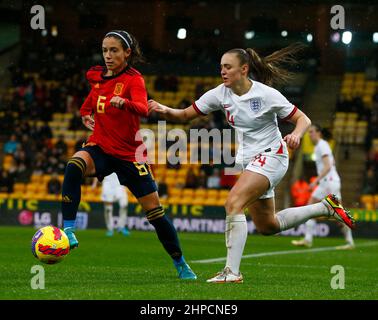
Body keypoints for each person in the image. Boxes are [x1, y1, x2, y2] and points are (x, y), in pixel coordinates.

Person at [148, 44, 355, 283]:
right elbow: (185, 115)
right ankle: (325, 208)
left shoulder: (266, 94)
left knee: (233, 202)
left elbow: (303, 119)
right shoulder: (219, 93)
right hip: (249, 161)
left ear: (243, 69)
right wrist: (164, 109)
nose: (223, 71)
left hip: (272, 155)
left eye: (228, 67)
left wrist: (296, 134)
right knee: (268, 225)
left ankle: (231, 272)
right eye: (221, 67)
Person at [61, 30, 196, 280]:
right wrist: (84, 112)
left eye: (114, 50)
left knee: (155, 213)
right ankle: (68, 229)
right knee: (74, 165)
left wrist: (124, 103)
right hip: (100, 146)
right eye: (104, 50)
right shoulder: (98, 76)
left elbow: (143, 108)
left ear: (127, 53)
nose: (108, 55)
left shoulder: (134, 80)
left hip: (130, 154)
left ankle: (180, 262)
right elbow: (93, 97)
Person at [291, 124, 355, 250]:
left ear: (319, 133)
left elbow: (328, 166)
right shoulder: (320, 146)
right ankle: (308, 239)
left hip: (330, 182)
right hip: (325, 183)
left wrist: (315, 181)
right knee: (310, 208)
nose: (310, 134)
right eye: (309, 132)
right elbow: (332, 162)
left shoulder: (322, 145)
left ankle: (350, 242)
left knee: (338, 213)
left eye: (312, 132)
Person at [92, 173, 130, 237]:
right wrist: (94, 183)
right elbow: (98, 168)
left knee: (124, 205)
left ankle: (121, 227)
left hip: (119, 183)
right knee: (108, 209)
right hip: (108, 184)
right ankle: (110, 229)